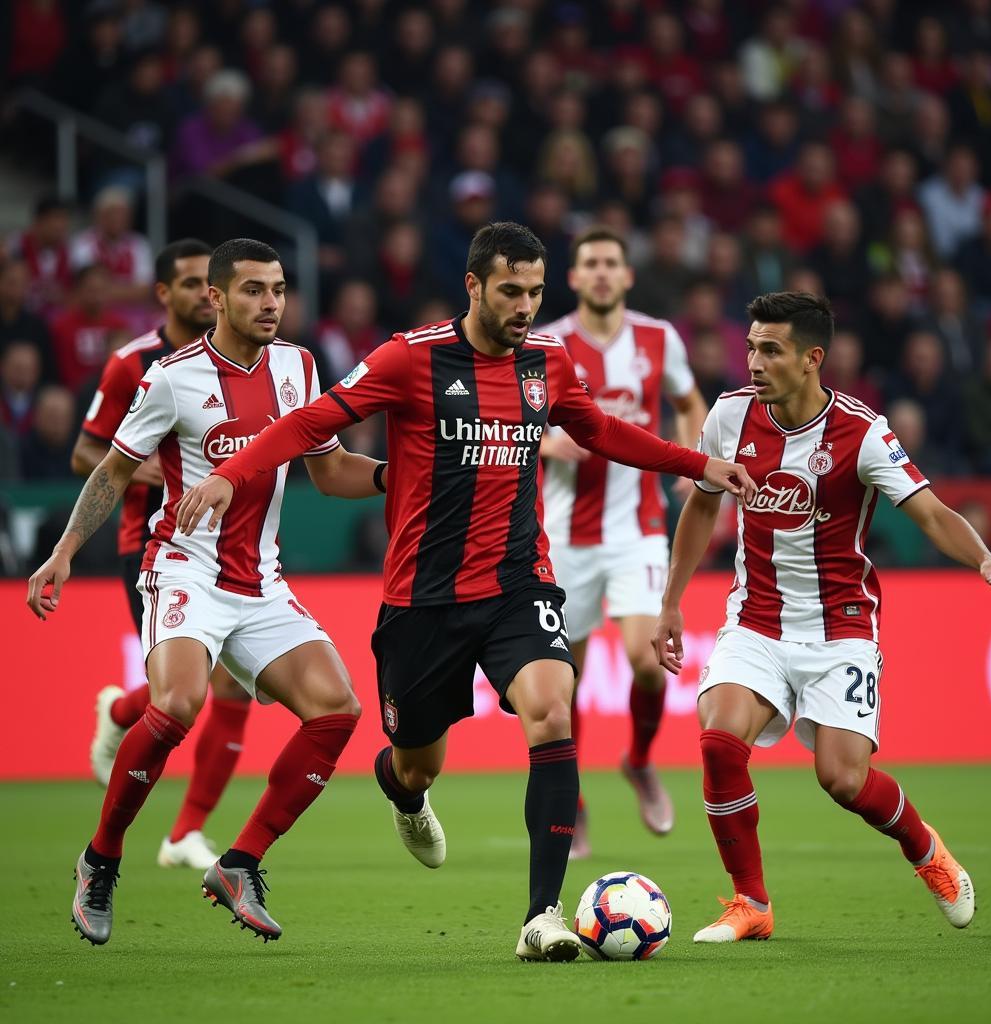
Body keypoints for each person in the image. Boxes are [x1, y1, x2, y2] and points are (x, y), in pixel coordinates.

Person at [175, 222, 756, 962]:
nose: (525, 306)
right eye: (511, 290)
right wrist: (230, 473)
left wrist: (696, 465)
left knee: (551, 708)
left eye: (536, 292)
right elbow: (313, 422)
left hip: (520, 581)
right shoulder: (408, 359)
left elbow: (603, 430)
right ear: (475, 285)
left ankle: (541, 915)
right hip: (423, 599)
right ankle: (405, 790)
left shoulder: (548, 360)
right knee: (419, 761)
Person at [27, 238, 387, 946]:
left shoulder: (299, 366)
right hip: (182, 568)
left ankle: (240, 862)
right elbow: (110, 473)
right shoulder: (170, 378)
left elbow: (330, 468)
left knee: (338, 711)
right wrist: (65, 552)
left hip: (262, 580)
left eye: (279, 289)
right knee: (180, 704)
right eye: (253, 290)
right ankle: (100, 860)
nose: (271, 304)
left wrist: (397, 478)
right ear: (216, 298)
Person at [653, 291, 991, 943]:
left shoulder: (862, 431)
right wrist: (671, 602)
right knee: (717, 741)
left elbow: (931, 511)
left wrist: (985, 560)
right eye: (751, 348)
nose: (755, 362)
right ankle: (751, 903)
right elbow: (703, 508)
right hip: (756, 621)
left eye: (771, 350)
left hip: (841, 627)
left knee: (842, 779)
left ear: (811, 359)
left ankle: (925, 849)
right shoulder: (729, 417)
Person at [72, 238, 253, 871]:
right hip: (154, 544)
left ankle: (186, 832)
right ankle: (119, 710)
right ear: (164, 294)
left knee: (231, 689)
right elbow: (87, 454)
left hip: (239, 552)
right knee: (179, 693)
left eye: (211, 282)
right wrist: (161, 472)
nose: (203, 293)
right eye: (189, 283)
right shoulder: (134, 363)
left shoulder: (254, 362)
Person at [539, 226, 707, 859]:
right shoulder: (548, 341)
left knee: (647, 661)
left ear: (627, 276)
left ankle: (637, 760)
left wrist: (693, 464)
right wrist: (546, 440)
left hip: (639, 528)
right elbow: (518, 417)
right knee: (564, 679)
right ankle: (572, 799)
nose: (603, 272)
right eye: (591, 264)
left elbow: (689, 403)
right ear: (576, 278)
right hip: (564, 533)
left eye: (613, 262)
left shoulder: (658, 337)